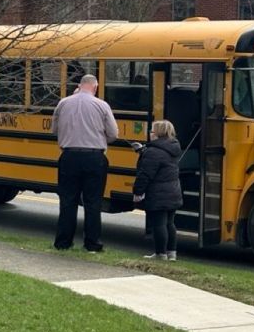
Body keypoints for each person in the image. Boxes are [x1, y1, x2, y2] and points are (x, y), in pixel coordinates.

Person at [51, 74, 119, 252]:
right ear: (95, 87)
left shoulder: (63, 103)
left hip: (69, 156)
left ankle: (63, 242)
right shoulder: (102, 105)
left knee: (67, 201)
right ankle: (92, 243)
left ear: (79, 85)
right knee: (93, 202)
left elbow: (54, 130)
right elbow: (113, 134)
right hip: (94, 157)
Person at [133, 120, 183, 261]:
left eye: (152, 131)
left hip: (158, 192)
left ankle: (160, 253)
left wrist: (137, 191)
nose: (150, 133)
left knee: (158, 224)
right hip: (173, 190)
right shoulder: (173, 148)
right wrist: (143, 151)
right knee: (170, 223)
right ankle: (172, 253)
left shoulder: (153, 152)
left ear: (158, 134)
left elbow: (145, 174)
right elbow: (161, 160)